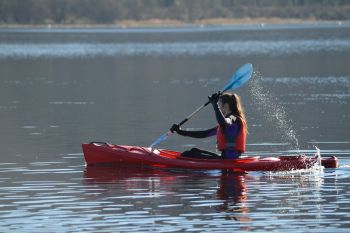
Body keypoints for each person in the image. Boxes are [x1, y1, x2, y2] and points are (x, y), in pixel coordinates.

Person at [170, 92, 247, 159]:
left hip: (228, 160)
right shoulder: (226, 125)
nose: (219, 108)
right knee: (193, 151)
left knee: (187, 154)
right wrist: (181, 132)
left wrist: (215, 105)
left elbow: (223, 122)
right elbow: (204, 134)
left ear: (226, 105)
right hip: (224, 158)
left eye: (220, 106)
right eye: (218, 106)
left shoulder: (233, 119)